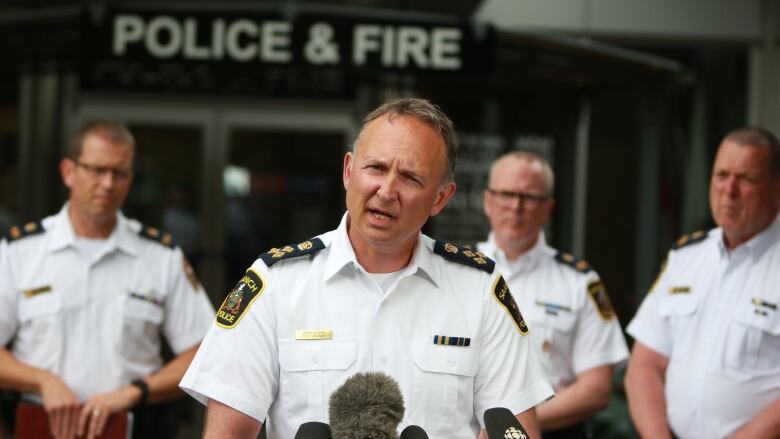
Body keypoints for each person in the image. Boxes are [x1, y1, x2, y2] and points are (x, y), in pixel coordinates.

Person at [180, 98, 554, 439]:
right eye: (376, 168)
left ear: (440, 198)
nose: (387, 190)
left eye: (411, 178)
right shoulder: (276, 282)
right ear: (348, 171)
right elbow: (227, 433)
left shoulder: (479, 290)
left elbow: (516, 429)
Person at [0, 120, 216, 439]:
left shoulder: (160, 256)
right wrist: (42, 381)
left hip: (134, 425)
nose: (107, 183)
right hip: (41, 425)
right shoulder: (20, 252)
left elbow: (205, 353)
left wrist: (136, 391)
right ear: (68, 171)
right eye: (97, 169)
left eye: (120, 173)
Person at [624, 126, 780, 438]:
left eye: (746, 179)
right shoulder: (686, 257)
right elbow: (644, 365)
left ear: (777, 189)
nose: (729, 190)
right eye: (721, 175)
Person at [475, 151, 628, 438]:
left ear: (548, 208)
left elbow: (596, 388)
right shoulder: (455, 272)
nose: (516, 207)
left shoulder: (578, 282)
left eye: (529, 197)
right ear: (487, 201)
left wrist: (514, 426)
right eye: (506, 194)